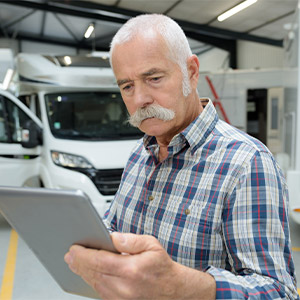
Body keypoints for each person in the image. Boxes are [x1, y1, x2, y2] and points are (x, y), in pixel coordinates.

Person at [64, 14, 299, 299]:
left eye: (153, 78)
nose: (140, 99)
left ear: (191, 71)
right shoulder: (140, 153)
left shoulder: (247, 164)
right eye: (127, 86)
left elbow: (279, 292)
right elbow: (115, 224)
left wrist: (180, 286)